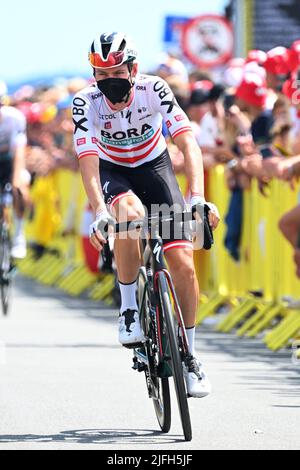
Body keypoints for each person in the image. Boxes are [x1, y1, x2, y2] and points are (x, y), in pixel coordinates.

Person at [72, 32, 220, 398]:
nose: (109, 82)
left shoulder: (154, 89)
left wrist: (198, 197)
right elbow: (88, 162)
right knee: (127, 213)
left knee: (182, 261)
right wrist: (99, 211)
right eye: (101, 75)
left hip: (155, 167)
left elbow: (187, 142)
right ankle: (128, 311)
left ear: (133, 69)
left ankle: (190, 358)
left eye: (116, 73)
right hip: (112, 171)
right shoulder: (84, 102)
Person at [0, 81, 28, 259]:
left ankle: (19, 235)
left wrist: (16, 179)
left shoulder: (15, 118)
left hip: (11, 161)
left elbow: (19, 152)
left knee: (20, 188)